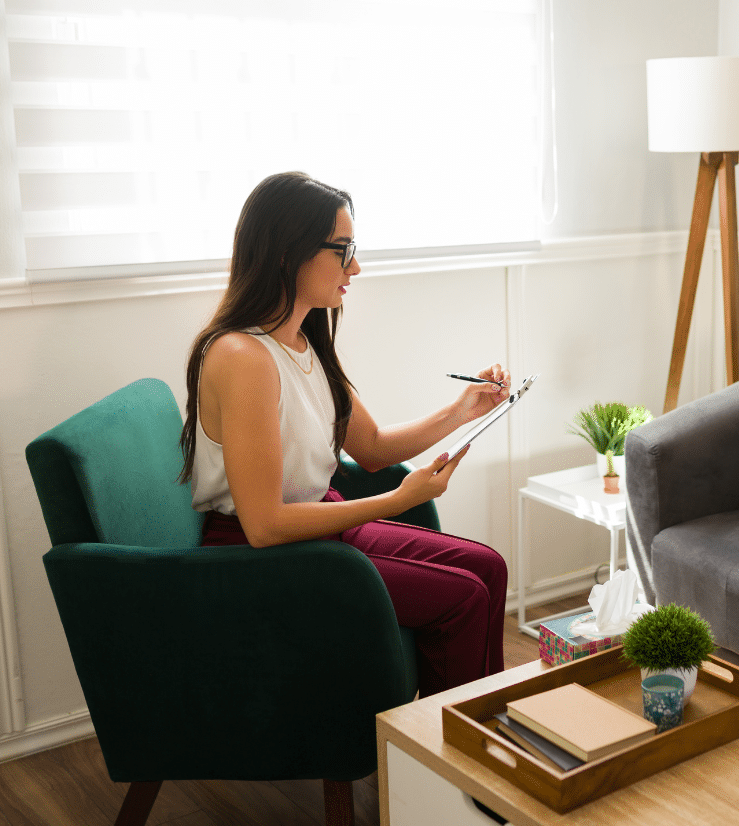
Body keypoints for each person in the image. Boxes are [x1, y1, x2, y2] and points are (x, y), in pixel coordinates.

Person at [179, 171, 509, 697]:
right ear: (288, 254)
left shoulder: (303, 341)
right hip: (261, 559)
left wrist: (461, 410)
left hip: (314, 533)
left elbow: (373, 449)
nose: (355, 266)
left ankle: (480, 732)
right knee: (463, 596)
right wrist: (396, 501)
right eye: (343, 250)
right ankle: (448, 762)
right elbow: (263, 525)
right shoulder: (242, 358)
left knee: (488, 569)